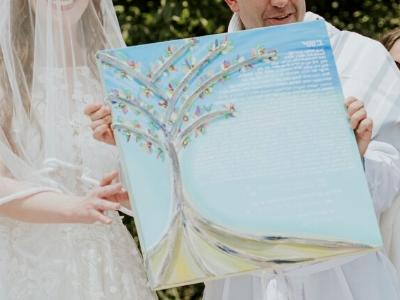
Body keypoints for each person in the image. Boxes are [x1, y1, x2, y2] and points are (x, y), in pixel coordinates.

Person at [87, 0, 400, 299]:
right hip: (242, 284)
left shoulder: (361, 57)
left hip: (345, 284)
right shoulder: (193, 76)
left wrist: (354, 160)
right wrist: (136, 149)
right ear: (232, 1)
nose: (281, 2)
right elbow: (185, 195)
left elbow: (390, 182)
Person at [0, 1, 156, 299]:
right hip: (29, 269)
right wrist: (71, 207)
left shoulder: (117, 77)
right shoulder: (4, 77)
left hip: (108, 269)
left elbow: (148, 190)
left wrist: (123, 150)